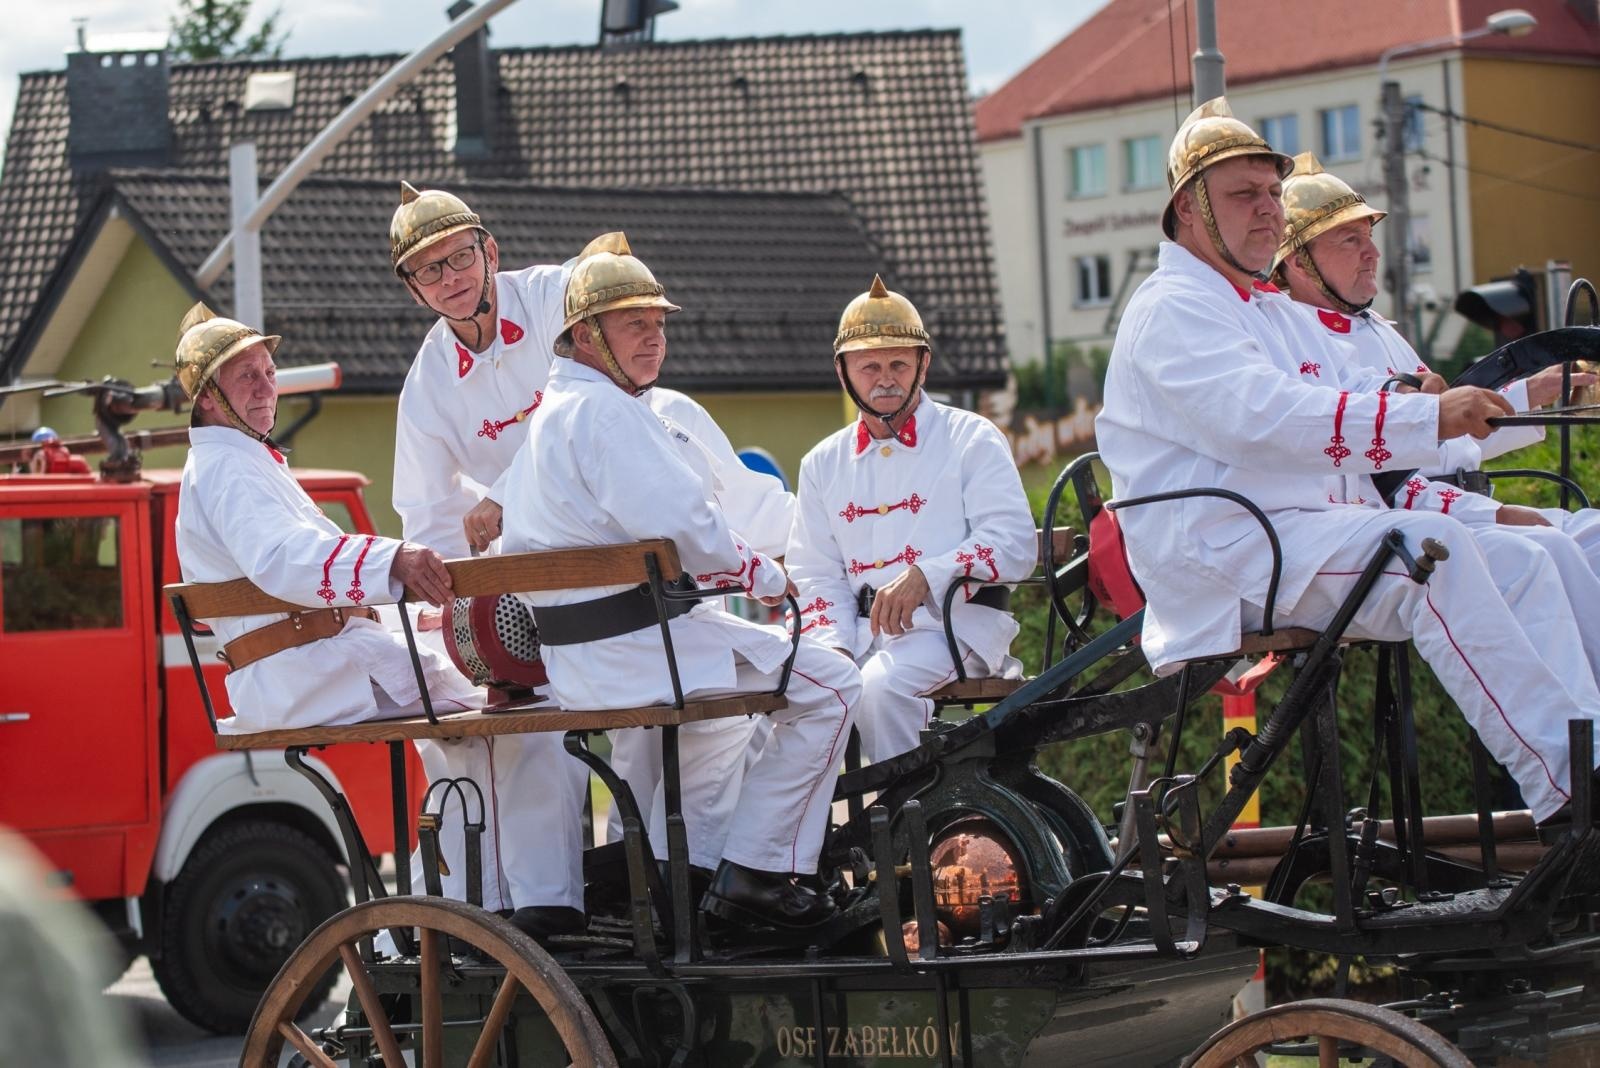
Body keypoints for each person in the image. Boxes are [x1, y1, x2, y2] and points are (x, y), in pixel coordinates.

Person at [1094, 99, 1600, 826]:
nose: (1269, 210)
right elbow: (1260, 419)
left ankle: (1592, 752)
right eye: (1245, 194)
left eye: (1272, 193)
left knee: (1523, 557)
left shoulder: (1264, 309)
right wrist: (1425, 412)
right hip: (1225, 552)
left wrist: (1428, 398)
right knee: (1432, 553)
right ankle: (1569, 795)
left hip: (1297, 533)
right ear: (1189, 207)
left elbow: (1362, 396)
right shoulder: (1173, 306)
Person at [169, 304, 577, 939]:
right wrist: (398, 559)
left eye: (268, 371)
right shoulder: (227, 468)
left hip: (311, 660)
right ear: (208, 400)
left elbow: (302, 565)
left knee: (488, 721)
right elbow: (283, 560)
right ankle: (513, 907)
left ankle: (464, 906)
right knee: (520, 715)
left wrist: (407, 592)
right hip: (308, 666)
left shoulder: (239, 463)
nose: (264, 385)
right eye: (244, 376)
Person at [501, 242, 861, 928]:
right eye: (634, 323)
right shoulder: (607, 412)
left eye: (659, 324)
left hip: (589, 661)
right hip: (640, 653)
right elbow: (688, 528)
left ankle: (688, 880)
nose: (655, 338)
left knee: (721, 728)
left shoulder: (552, 415)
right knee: (833, 684)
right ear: (584, 335)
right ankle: (758, 876)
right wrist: (768, 575)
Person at [1272, 152, 1600, 572]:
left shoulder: (1375, 327)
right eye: (1350, 240)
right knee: (1548, 553)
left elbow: (1448, 438)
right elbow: (1381, 472)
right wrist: (1487, 514)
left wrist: (1535, 391)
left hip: (1460, 510)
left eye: (1368, 236)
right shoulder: (1298, 338)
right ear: (1300, 263)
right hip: (1414, 528)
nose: (1372, 252)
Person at [786, 276, 1035, 764]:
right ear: (843, 373)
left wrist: (928, 575)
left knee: (880, 692)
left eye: (899, 363)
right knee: (787, 699)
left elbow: (1012, 543)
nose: (886, 378)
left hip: (954, 628)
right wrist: (832, 648)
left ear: (924, 365)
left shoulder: (971, 437)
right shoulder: (821, 462)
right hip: (856, 639)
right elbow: (815, 572)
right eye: (870, 366)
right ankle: (804, 841)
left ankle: (904, 830)